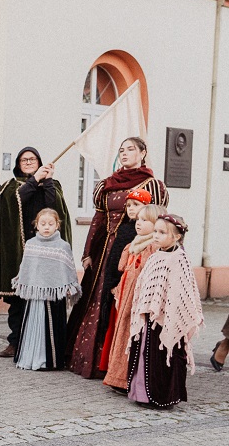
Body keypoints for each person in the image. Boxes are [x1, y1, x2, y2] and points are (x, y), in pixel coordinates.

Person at [66, 137, 168, 379]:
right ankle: (87, 360)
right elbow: (99, 219)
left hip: (133, 249)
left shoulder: (152, 185)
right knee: (94, 299)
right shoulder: (108, 184)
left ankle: (117, 365)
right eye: (121, 150)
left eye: (131, 149)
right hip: (104, 252)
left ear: (143, 153)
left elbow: (156, 220)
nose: (125, 153)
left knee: (121, 302)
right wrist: (88, 251)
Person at [0, 148, 71, 358]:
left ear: (39, 161)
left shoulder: (52, 184)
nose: (28, 162)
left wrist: (47, 181)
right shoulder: (12, 186)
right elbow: (13, 202)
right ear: (18, 163)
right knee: (19, 298)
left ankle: (44, 343)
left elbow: (55, 205)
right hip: (21, 248)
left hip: (46, 249)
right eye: (24, 159)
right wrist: (34, 180)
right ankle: (15, 342)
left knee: (44, 298)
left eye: (32, 159)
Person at [127, 214, 203, 408]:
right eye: (155, 231)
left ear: (176, 237)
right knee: (146, 355)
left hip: (168, 318)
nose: (156, 236)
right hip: (149, 316)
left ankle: (162, 396)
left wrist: (170, 312)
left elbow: (182, 292)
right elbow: (145, 285)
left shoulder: (179, 259)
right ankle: (142, 394)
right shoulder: (155, 256)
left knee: (162, 357)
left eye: (162, 232)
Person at [101, 203, 165, 390]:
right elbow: (124, 269)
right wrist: (118, 290)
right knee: (122, 336)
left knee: (134, 337)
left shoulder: (153, 248)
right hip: (126, 298)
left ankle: (130, 378)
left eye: (145, 220)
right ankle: (117, 377)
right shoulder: (134, 244)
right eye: (139, 219)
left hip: (140, 300)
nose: (139, 223)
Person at [12, 208, 82, 370]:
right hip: (35, 296)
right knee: (33, 326)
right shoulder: (31, 244)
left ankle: (49, 360)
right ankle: (29, 356)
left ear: (57, 225)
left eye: (50, 224)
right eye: (42, 224)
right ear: (36, 225)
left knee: (51, 327)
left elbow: (68, 269)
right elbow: (26, 269)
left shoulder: (63, 246)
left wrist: (67, 287)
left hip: (54, 296)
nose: (46, 227)